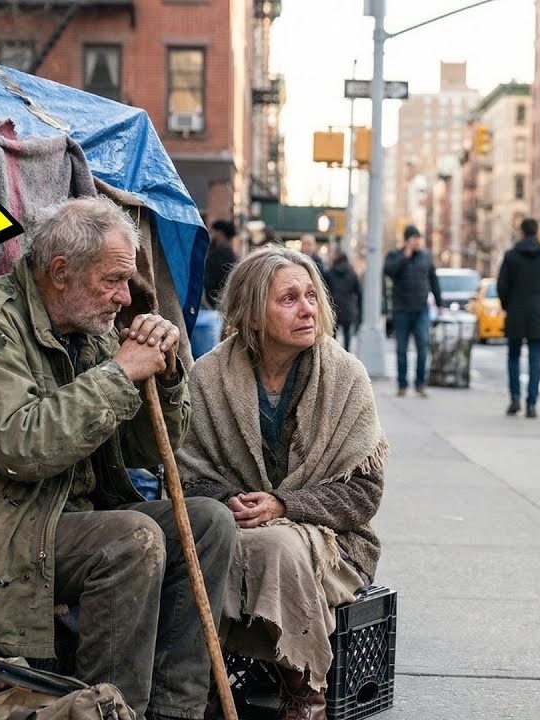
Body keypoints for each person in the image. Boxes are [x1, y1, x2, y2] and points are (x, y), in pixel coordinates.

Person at [0, 197, 237, 720]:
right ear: (59, 272)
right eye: (113, 280)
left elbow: (143, 450)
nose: (125, 297)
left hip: (50, 521)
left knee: (209, 522)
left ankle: (174, 710)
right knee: (130, 541)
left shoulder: (86, 330)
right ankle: (110, 712)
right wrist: (119, 375)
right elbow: (22, 448)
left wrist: (162, 376)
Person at [177, 246, 387, 720]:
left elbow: (363, 495)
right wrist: (229, 502)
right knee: (205, 543)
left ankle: (304, 694)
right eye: (289, 298)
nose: (308, 308)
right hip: (232, 530)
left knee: (276, 547)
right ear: (252, 314)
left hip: (335, 544)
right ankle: (200, 688)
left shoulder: (345, 377)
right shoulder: (208, 378)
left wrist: (282, 505)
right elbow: (184, 479)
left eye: (311, 295)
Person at [496, 218, 540, 419]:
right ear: (537, 232)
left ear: (522, 232)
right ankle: (531, 404)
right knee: (535, 359)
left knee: (513, 357)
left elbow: (502, 286)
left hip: (515, 312)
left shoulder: (511, 256)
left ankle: (515, 398)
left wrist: (507, 305)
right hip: (538, 312)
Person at [383, 225, 441, 397]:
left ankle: (420, 383)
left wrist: (439, 302)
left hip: (421, 309)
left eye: (418, 239)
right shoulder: (395, 255)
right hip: (401, 310)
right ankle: (402, 384)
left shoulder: (426, 256)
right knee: (402, 349)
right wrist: (404, 256)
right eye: (413, 238)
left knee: (423, 347)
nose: (417, 242)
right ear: (407, 240)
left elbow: (433, 280)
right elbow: (389, 271)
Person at [194, 219, 240, 359]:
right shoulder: (226, 254)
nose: (211, 235)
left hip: (213, 313)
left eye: (213, 232)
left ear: (220, 234)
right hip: (214, 311)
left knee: (207, 355)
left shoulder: (222, 255)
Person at [325, 251, 363, 351]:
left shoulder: (330, 272)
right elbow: (358, 292)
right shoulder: (352, 273)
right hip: (348, 308)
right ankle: (346, 353)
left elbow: (326, 291)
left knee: (333, 334)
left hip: (334, 308)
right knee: (347, 334)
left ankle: (333, 354)